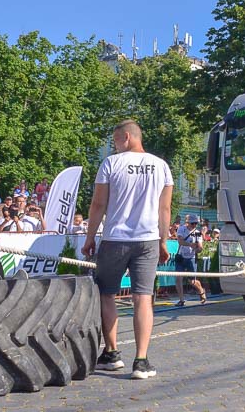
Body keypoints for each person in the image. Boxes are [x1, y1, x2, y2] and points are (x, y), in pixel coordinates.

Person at [81, 120, 173, 380]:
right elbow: (164, 210)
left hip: (116, 238)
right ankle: (141, 361)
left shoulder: (111, 163)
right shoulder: (162, 166)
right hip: (147, 240)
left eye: (115, 140)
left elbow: (98, 204)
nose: (114, 145)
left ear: (127, 136)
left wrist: (90, 237)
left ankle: (111, 354)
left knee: (107, 294)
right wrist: (163, 241)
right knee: (143, 297)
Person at [174, 215, 207, 306]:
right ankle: (181, 300)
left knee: (192, 281)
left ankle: (201, 291)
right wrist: (190, 244)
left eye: (196, 223)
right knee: (178, 278)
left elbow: (200, 247)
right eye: (193, 223)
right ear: (188, 223)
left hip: (191, 258)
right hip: (181, 256)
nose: (194, 225)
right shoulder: (182, 229)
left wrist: (198, 249)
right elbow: (180, 241)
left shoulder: (197, 233)